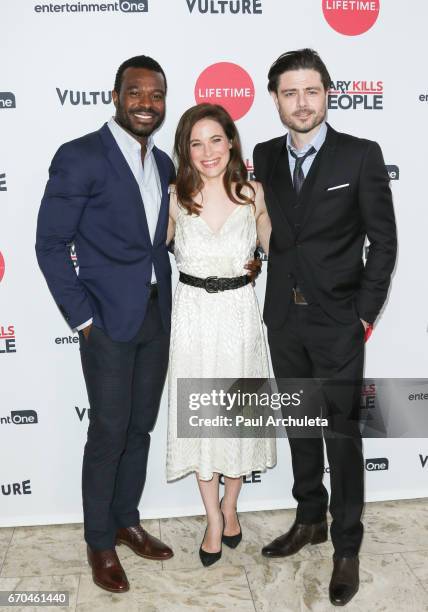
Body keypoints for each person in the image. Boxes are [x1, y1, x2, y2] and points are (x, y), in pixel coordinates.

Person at [253, 49, 397, 606]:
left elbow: (383, 241)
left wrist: (364, 312)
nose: (301, 103)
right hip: (282, 320)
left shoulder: (360, 156)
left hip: (339, 322)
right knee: (300, 424)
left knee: (342, 433)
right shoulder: (263, 156)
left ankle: (346, 545)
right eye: (289, 93)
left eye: (310, 91)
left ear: (328, 93)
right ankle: (309, 517)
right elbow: (260, 227)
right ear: (275, 100)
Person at [35, 55, 177, 593]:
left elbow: (158, 242)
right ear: (115, 97)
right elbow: (49, 244)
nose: (147, 103)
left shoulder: (162, 164)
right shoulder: (80, 156)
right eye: (136, 93)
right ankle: (99, 540)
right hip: (107, 324)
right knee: (109, 432)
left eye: (156, 94)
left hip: (155, 317)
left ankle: (125, 519)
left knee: (139, 428)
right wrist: (83, 318)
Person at [166, 103, 276, 567]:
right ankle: (213, 518)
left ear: (231, 141)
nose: (207, 151)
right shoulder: (173, 196)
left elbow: (283, 250)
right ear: (185, 151)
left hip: (239, 318)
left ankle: (231, 506)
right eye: (196, 143)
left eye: (215, 139)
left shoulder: (254, 194)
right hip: (192, 320)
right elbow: (147, 253)